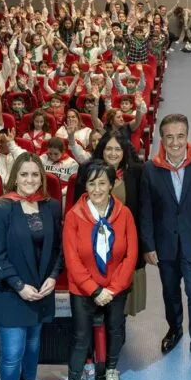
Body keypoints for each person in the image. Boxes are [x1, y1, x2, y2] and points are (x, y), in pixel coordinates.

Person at [139, 113, 191, 371]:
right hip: (165, 247)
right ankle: (174, 329)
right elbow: (146, 211)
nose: (175, 142)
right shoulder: (151, 169)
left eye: (180, 136)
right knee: (170, 292)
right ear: (162, 139)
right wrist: (149, 246)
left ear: (187, 136)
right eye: (169, 137)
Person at [0, 152, 63, 380]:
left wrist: (53, 276)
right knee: (11, 354)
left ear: (42, 177)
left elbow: (59, 248)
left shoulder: (51, 206)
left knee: (33, 346)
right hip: (12, 291)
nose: (29, 180)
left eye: (34, 174)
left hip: (41, 290)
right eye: (24, 174)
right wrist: (19, 286)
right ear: (14, 177)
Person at [63, 160, 138, 380]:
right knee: (81, 337)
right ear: (85, 185)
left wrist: (113, 289)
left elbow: (131, 255)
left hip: (116, 288)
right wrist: (95, 291)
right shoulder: (74, 216)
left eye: (102, 183)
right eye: (91, 183)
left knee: (116, 329)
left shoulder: (124, 214)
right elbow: (72, 259)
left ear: (112, 185)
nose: (96, 189)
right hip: (84, 290)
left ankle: (112, 371)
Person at [73, 129, 147, 315]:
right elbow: (77, 209)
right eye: (108, 149)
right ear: (101, 150)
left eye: (118, 149)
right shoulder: (86, 170)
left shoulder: (136, 172)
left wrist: (145, 246)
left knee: (119, 309)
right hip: (92, 248)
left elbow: (143, 210)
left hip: (124, 247)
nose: (113, 153)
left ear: (124, 152)